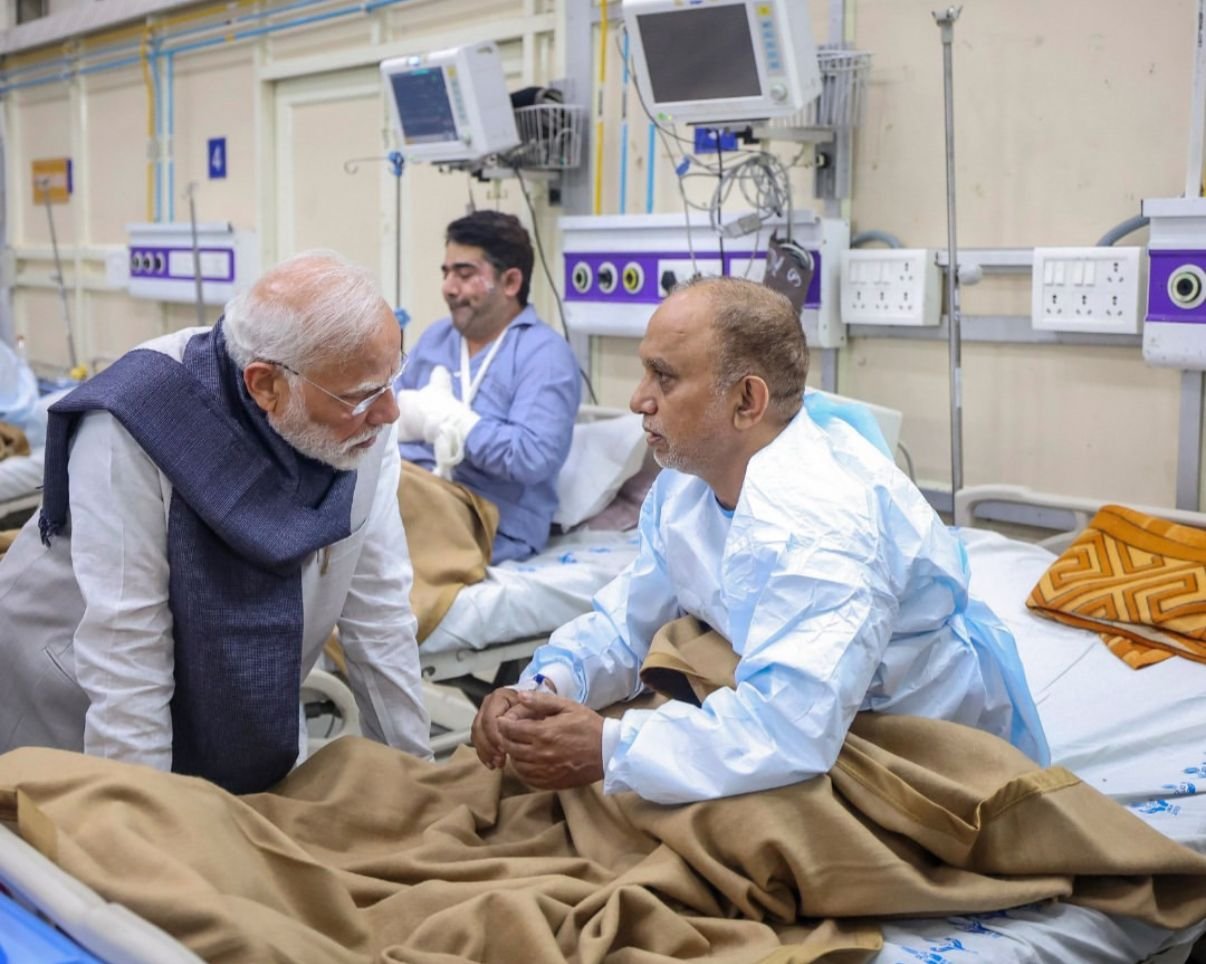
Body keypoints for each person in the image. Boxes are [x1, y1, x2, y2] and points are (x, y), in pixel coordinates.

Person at [472, 276, 1048, 805]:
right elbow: (629, 624)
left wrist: (607, 748)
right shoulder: (684, 486)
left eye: (663, 377)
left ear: (747, 401)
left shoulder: (823, 527)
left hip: (894, 742)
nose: (638, 399)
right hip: (784, 718)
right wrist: (543, 687)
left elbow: (790, 729)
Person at [0, 251, 432, 794]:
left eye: (392, 380)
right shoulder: (137, 419)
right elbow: (126, 658)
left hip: (249, 710)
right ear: (266, 385)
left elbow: (380, 618)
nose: (389, 412)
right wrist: (141, 823)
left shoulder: (363, 422)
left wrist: (418, 781)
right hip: (72, 707)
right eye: (363, 395)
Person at [395, 210, 581, 563]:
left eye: (465, 274)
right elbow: (385, 416)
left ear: (510, 282)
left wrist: (454, 423)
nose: (449, 287)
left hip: (492, 518)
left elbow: (531, 457)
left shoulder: (544, 355)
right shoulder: (437, 339)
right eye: (446, 273)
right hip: (415, 490)